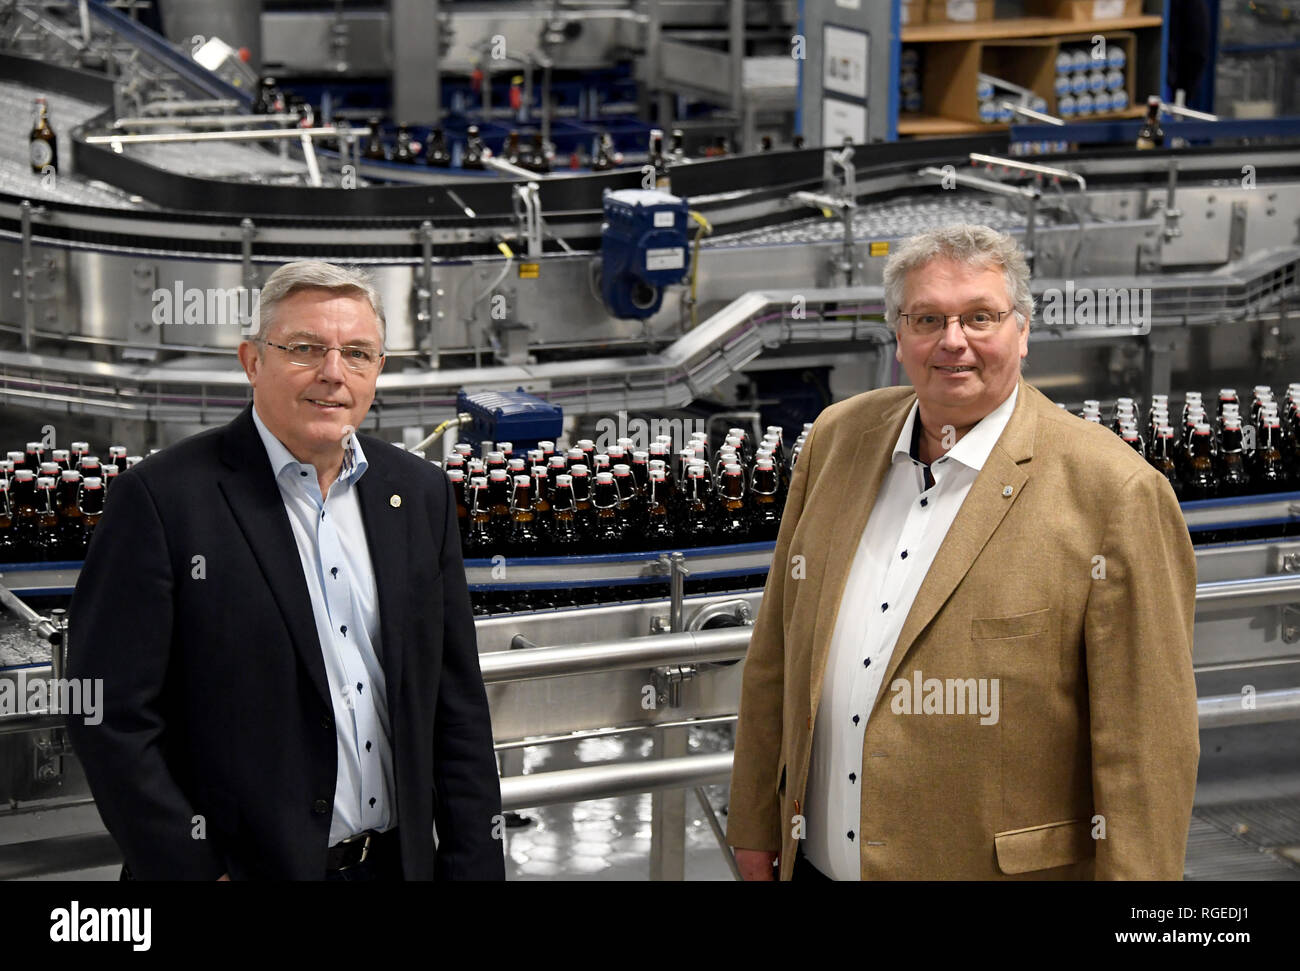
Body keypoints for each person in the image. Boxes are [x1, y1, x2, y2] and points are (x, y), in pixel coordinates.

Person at [727, 224, 1199, 880]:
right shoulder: (838, 440)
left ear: (1023, 330)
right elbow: (774, 655)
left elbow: (1147, 751)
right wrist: (755, 819)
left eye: (981, 316)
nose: (953, 341)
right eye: (928, 318)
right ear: (899, 334)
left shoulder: (1114, 494)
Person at [66, 261, 504, 880]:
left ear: (378, 370)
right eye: (305, 349)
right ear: (252, 361)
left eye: (357, 353)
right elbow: (108, 714)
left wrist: (473, 868)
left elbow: (455, 703)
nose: (333, 373)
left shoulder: (419, 493)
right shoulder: (164, 500)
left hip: (394, 866)